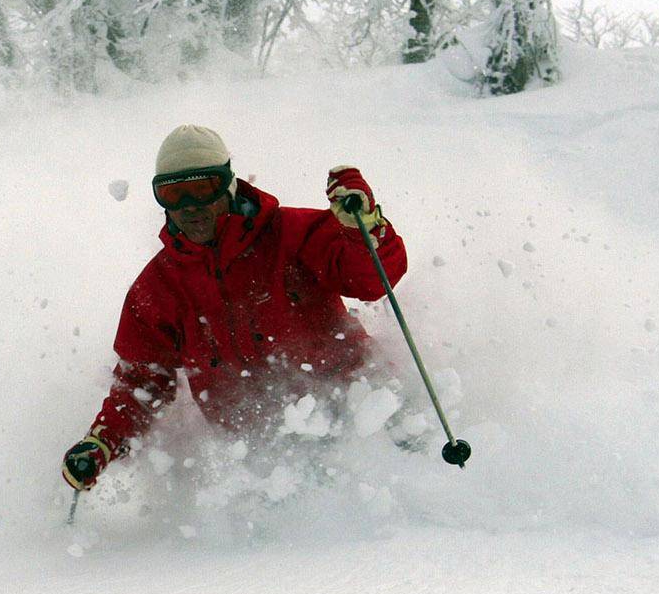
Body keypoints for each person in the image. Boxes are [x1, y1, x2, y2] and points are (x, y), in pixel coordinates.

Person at [63, 125, 409, 491]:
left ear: (228, 184)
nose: (190, 207)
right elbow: (141, 385)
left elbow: (373, 280)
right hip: (261, 461)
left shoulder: (291, 234)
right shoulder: (158, 289)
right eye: (173, 194)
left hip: (363, 419)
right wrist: (102, 441)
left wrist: (363, 228)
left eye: (202, 188)